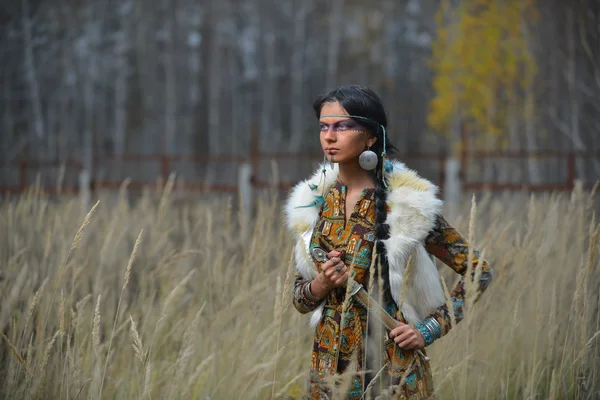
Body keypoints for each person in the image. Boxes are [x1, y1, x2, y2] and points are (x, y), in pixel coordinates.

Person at [284, 85, 493, 399]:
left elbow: (479, 271)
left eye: (342, 126)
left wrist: (429, 329)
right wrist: (322, 284)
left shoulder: (406, 207)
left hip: (392, 375)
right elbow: (301, 300)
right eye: (324, 127)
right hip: (329, 377)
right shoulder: (314, 206)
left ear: (370, 136)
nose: (329, 136)